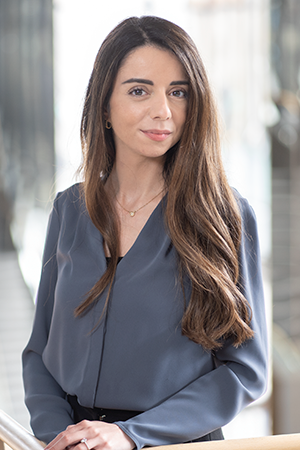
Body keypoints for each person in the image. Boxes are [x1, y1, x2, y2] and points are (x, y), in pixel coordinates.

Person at [22, 15, 268, 450]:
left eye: (179, 92)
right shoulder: (69, 210)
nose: (164, 111)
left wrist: (129, 435)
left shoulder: (223, 215)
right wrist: (60, 436)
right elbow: (40, 354)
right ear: (104, 105)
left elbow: (244, 371)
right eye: (140, 90)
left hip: (178, 443)